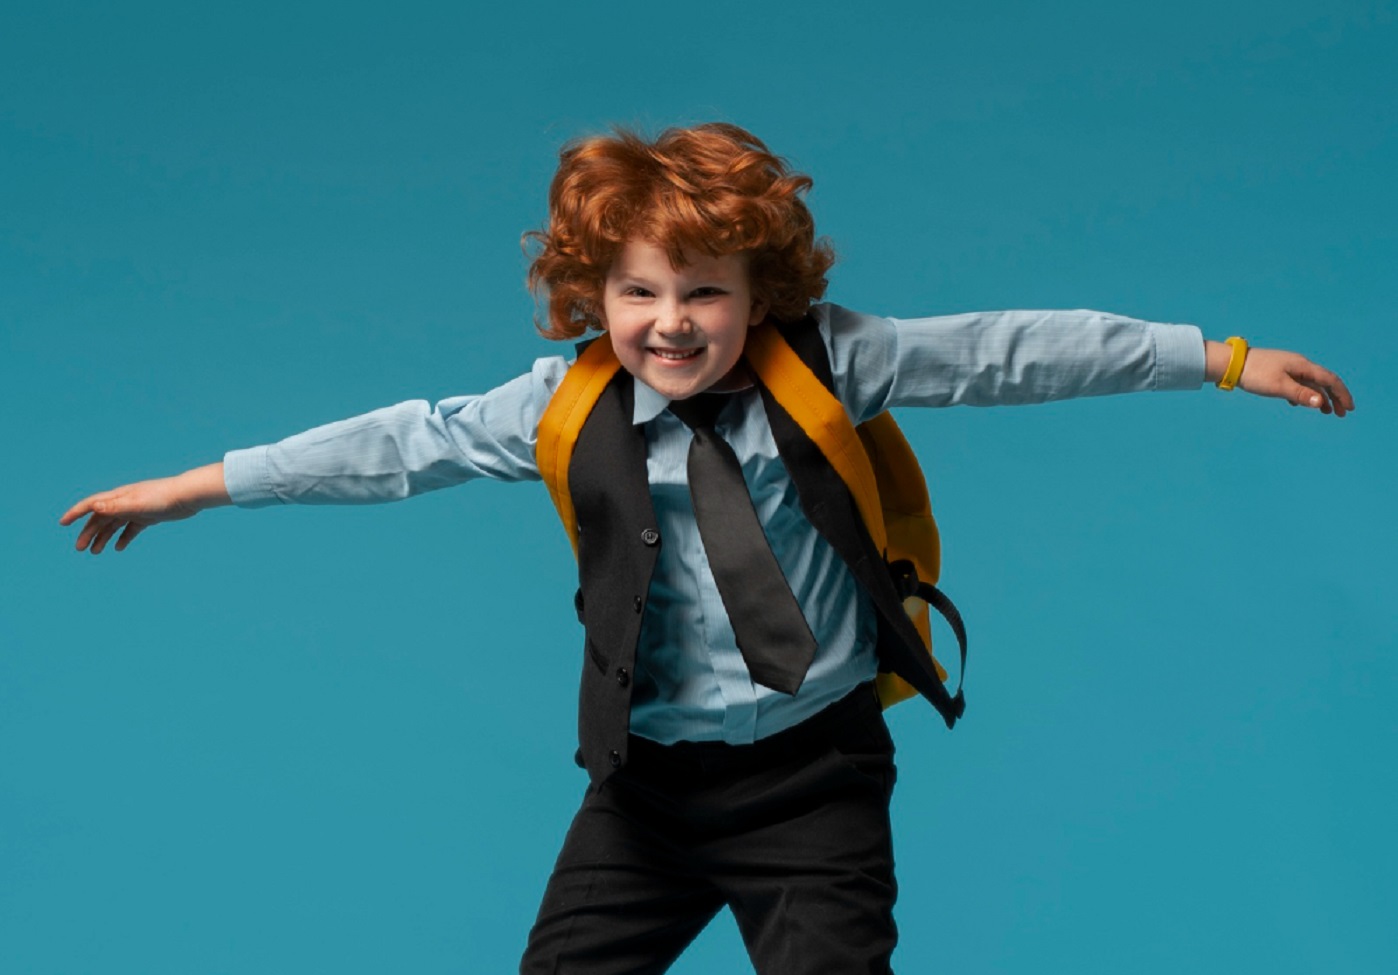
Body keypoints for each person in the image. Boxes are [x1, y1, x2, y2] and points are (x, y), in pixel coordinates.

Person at [61, 123, 1353, 974]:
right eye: (637, 292)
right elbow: (400, 445)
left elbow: (1015, 348)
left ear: (760, 295)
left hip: (818, 777)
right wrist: (196, 486)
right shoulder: (558, 408)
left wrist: (1219, 360)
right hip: (650, 793)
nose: (670, 325)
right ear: (592, 296)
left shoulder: (835, 360)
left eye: (704, 294)